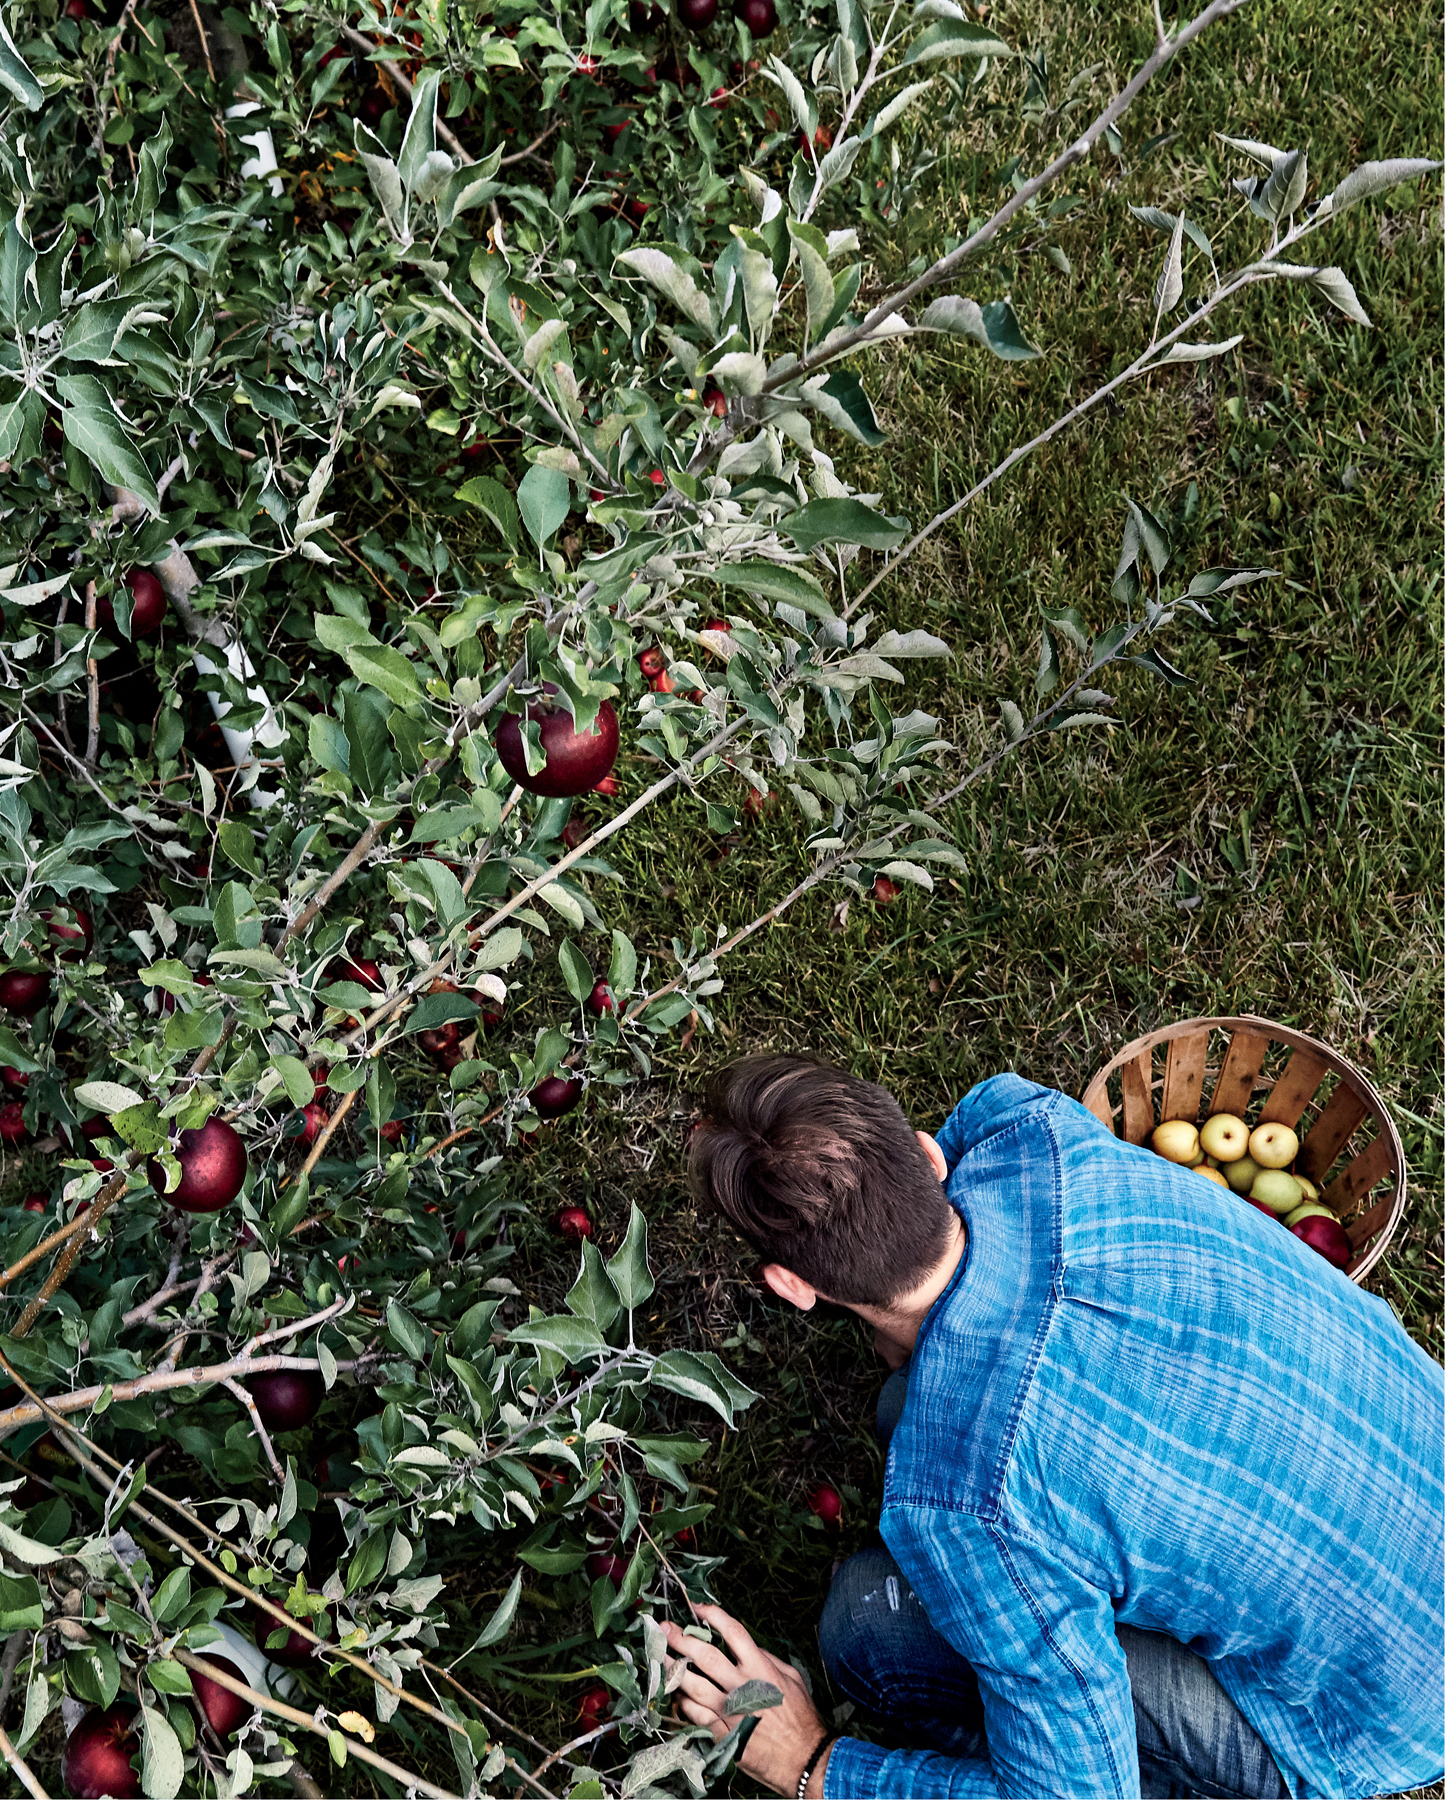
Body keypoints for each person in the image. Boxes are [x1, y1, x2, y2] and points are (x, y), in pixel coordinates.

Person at [661, 1056, 1444, 1799]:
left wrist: (808, 1764)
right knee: (910, 1408)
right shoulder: (1027, 1125)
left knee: (867, 1623)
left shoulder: (967, 1502)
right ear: (930, 1158)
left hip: (1370, 1721)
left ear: (792, 1286)